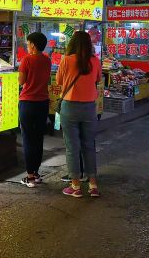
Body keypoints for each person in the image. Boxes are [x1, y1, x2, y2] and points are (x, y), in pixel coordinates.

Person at [56, 31, 102, 198]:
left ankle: (75, 186)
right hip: (89, 107)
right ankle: (93, 185)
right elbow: (97, 79)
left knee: (72, 147)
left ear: (72, 43)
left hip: (70, 107)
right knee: (89, 145)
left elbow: (59, 81)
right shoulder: (95, 61)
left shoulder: (66, 60)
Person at [17, 32, 51, 187]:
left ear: (33, 45)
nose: (27, 45)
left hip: (28, 103)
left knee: (28, 139)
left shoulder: (27, 60)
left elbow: (21, 81)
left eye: (28, 43)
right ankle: (36, 173)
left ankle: (30, 176)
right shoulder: (47, 60)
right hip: (43, 103)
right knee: (38, 138)